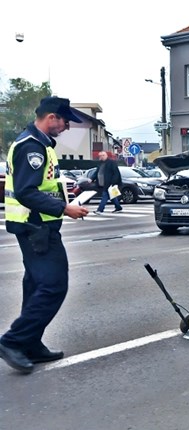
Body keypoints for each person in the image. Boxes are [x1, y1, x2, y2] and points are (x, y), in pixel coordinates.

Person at [0, 96, 89, 374]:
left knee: (36, 285)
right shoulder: (32, 148)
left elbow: (41, 186)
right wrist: (64, 208)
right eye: (64, 121)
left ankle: (30, 343)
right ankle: (13, 341)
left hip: (37, 225)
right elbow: (26, 192)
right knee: (53, 285)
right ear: (51, 117)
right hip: (35, 227)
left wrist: (64, 196)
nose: (66, 127)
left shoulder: (39, 144)